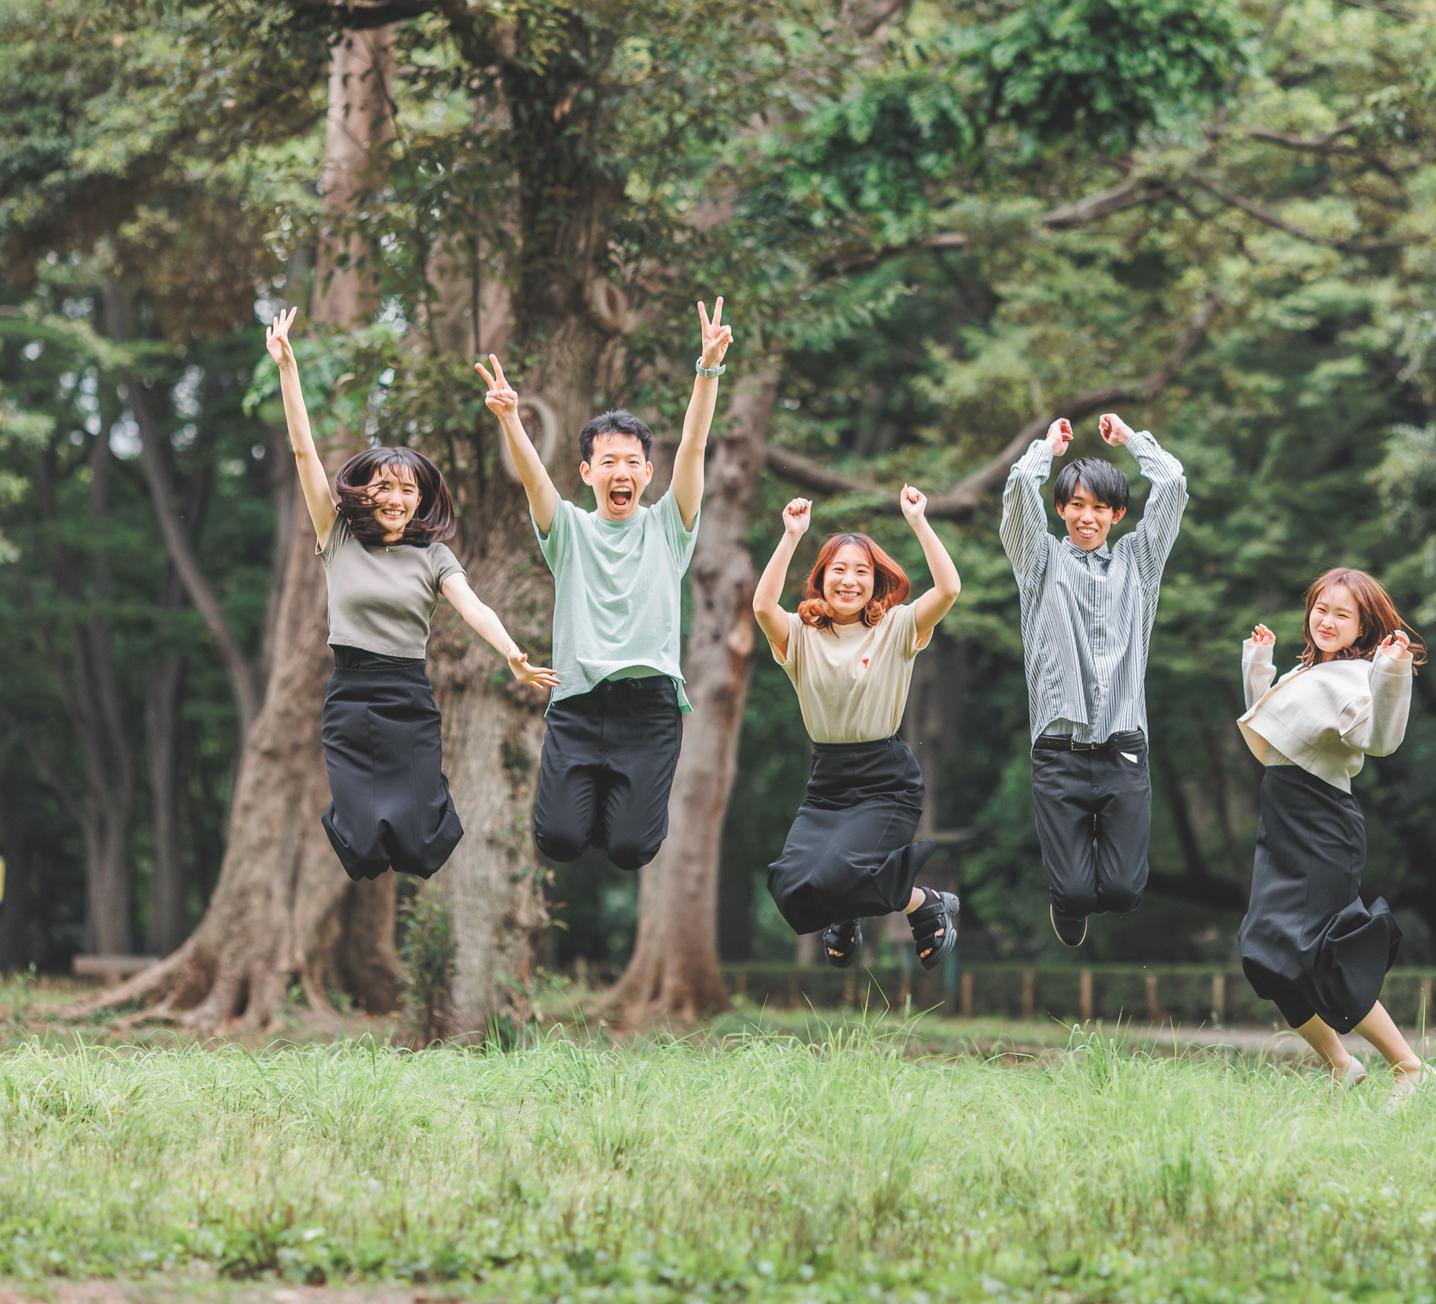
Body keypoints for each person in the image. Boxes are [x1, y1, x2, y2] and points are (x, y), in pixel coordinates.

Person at [266, 307, 556, 881]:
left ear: (420, 500)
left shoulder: (433, 556)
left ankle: (421, 812)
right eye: (385, 487)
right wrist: (288, 369)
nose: (397, 499)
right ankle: (358, 823)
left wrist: (511, 654)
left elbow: (472, 606)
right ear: (365, 493)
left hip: (407, 694)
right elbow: (304, 453)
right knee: (363, 846)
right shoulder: (338, 536)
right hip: (351, 697)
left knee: (421, 842)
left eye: (408, 490)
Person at [474, 299, 732, 874]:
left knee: (631, 849)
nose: (622, 472)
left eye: (633, 462)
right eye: (609, 461)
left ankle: (620, 815)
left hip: (650, 708)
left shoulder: (669, 528)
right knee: (559, 839)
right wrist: (510, 417)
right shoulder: (568, 530)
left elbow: (693, 446)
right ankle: (585, 806)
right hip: (578, 703)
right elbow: (534, 481)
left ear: (648, 473)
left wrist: (708, 369)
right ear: (588, 472)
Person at [1237, 569, 1425, 1106]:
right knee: (1261, 953)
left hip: (1323, 827)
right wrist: (1258, 665)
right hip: (1283, 822)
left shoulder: (1357, 677)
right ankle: (1342, 1064)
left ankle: (1409, 1066)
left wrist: (1392, 671)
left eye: (1343, 614)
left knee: (1323, 954)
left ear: (1362, 626)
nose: (1327, 620)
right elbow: (1273, 731)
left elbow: (1381, 739)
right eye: (1321, 608)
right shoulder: (1309, 671)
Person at [752, 489, 962, 967]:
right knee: (789, 885)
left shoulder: (897, 627)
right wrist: (791, 536)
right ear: (821, 578)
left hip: (885, 779)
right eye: (839, 570)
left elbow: (948, 589)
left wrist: (919, 522)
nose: (849, 580)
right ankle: (845, 912)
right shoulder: (800, 634)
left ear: (875, 581)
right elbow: (763, 607)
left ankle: (922, 903)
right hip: (827, 779)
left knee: (840, 873)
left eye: (862, 571)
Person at [1000, 413, 1186, 947]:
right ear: (1061, 509)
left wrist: (1130, 440)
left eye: (1100, 507)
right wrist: (1047, 449)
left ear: (1117, 514)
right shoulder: (1038, 560)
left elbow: (1172, 484)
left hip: (1123, 748)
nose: (1087, 517)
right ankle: (1067, 898)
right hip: (1058, 751)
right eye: (1077, 504)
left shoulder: (1138, 562)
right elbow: (1019, 487)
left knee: (1124, 892)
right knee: (1076, 893)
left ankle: (1089, 887)